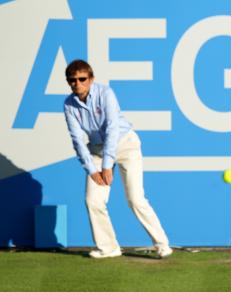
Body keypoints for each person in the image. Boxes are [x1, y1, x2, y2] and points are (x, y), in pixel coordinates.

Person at [63, 59, 172, 259]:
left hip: (125, 145)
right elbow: (77, 140)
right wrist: (92, 170)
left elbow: (113, 128)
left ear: (91, 79)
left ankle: (162, 243)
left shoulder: (106, 93)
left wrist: (106, 165)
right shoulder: (69, 105)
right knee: (93, 201)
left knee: (135, 199)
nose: (77, 83)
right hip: (96, 150)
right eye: (72, 80)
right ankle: (108, 247)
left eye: (82, 79)